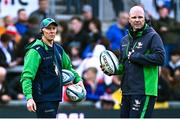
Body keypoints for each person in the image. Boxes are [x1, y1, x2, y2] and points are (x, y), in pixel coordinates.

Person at [101, 5, 165, 118]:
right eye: (134, 17)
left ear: (145, 18)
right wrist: (112, 70)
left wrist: (137, 57)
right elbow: (124, 64)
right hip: (127, 90)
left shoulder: (153, 36)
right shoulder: (124, 40)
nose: (137, 20)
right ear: (129, 20)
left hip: (144, 91)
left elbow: (160, 58)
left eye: (140, 17)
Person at [20, 18, 86, 118]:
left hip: (55, 96)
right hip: (43, 98)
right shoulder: (35, 51)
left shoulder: (59, 49)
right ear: (42, 30)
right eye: (48, 28)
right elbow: (27, 76)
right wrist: (29, 97)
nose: (52, 31)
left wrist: (78, 79)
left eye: (54, 28)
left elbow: (68, 68)